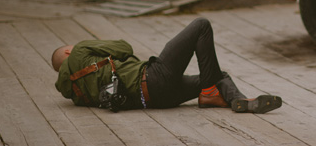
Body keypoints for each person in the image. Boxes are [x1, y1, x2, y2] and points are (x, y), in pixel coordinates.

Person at [52, 17, 282, 113]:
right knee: (201, 26)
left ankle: (237, 100)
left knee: (216, 73)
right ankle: (211, 92)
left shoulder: (74, 94)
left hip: (157, 101)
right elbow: (125, 48)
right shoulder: (80, 51)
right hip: (154, 77)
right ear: (67, 51)